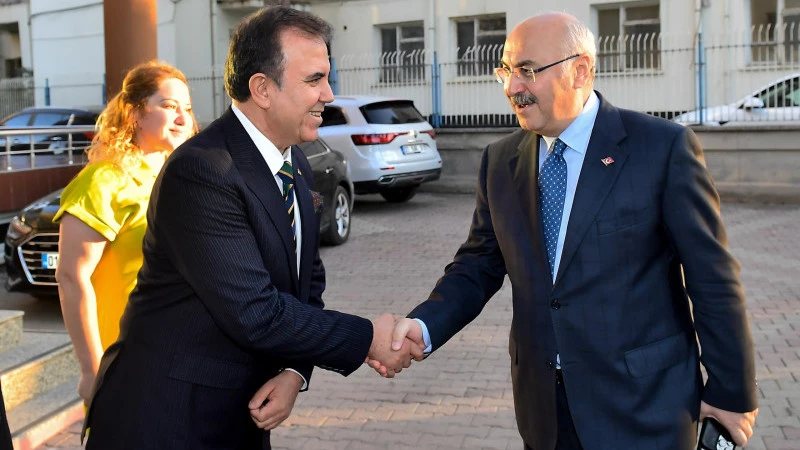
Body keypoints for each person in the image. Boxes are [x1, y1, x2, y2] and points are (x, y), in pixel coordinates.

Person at [375, 11, 758, 450]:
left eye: (527, 70)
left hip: (644, 407)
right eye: (506, 70)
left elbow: (712, 278)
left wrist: (731, 391)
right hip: (545, 411)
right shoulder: (499, 162)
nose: (512, 87)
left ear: (580, 71)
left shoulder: (661, 147)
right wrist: (424, 326)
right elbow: (478, 265)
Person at [82, 7, 421, 450]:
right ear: (262, 88)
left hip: (240, 416)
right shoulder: (203, 171)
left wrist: (295, 370)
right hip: (169, 419)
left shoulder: (295, 162)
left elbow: (306, 281)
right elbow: (255, 311)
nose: (329, 94)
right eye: (314, 80)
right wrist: (369, 338)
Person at [54, 60, 198, 404]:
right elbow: (71, 277)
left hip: (180, 357)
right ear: (134, 114)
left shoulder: (178, 177)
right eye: (169, 106)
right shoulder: (104, 181)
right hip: (128, 363)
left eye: (188, 108)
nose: (183, 118)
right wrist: (91, 370)